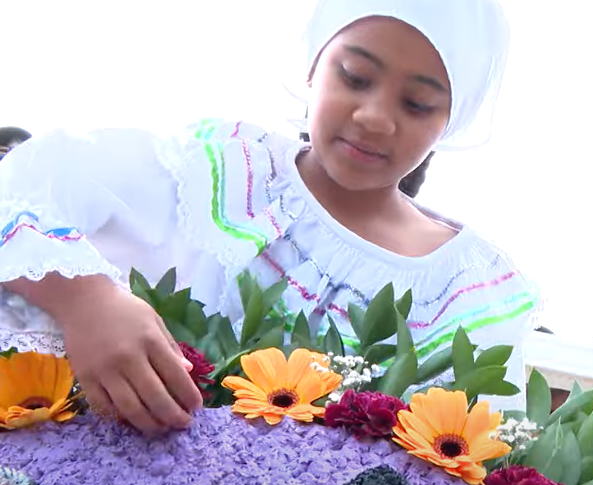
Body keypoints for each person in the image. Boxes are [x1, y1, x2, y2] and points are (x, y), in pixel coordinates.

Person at [0, 0, 540, 437]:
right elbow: (22, 189)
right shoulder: (214, 176)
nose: (374, 116)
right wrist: (87, 301)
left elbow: (480, 460)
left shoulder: (464, 292)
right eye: (354, 76)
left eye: (417, 104)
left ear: (451, 119)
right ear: (313, 65)